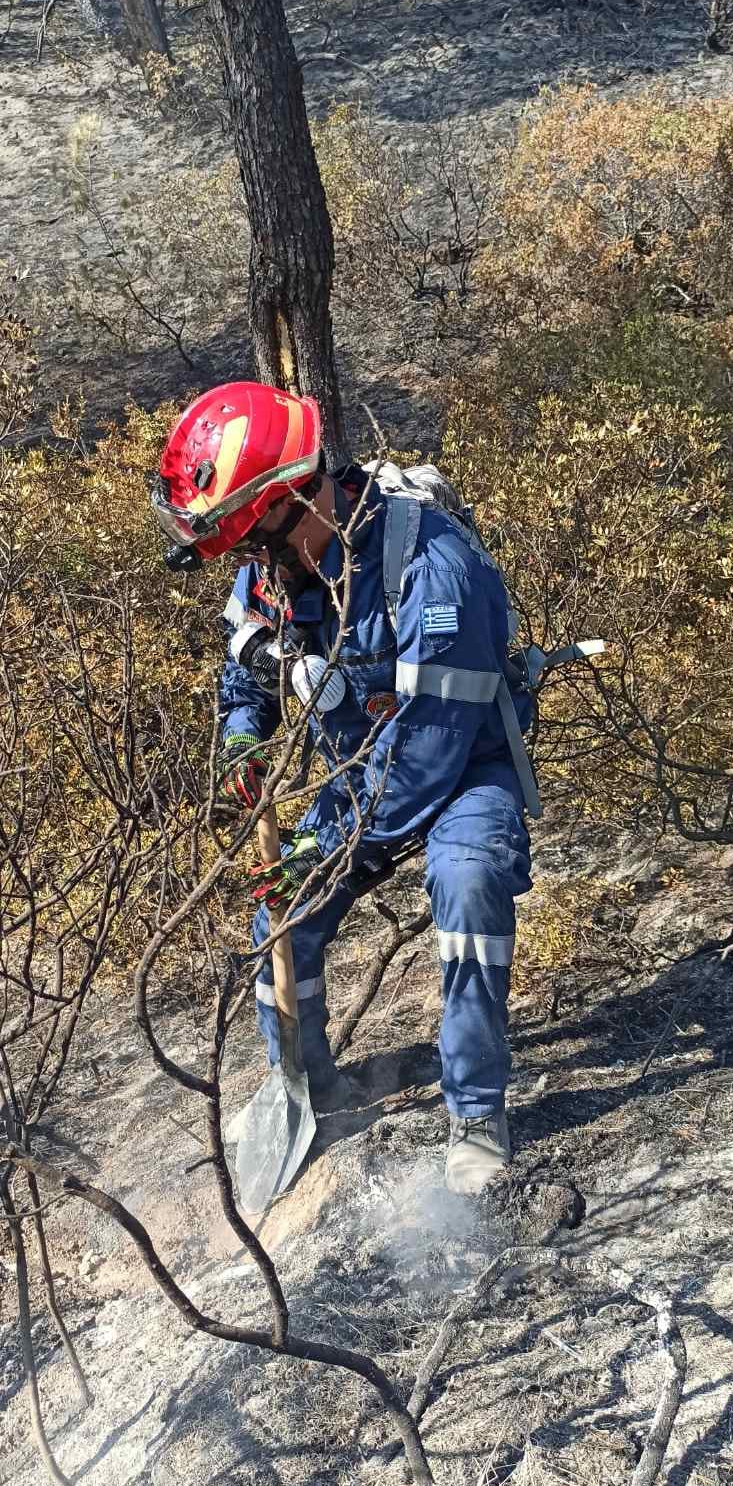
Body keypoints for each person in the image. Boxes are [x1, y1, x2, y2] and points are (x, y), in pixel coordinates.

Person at [151, 380, 533, 1195]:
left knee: (466, 882)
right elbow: (245, 660)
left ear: (298, 499)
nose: (251, 561)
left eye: (254, 541)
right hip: (364, 774)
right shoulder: (274, 562)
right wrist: (241, 733)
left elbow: (429, 747)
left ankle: (475, 1112)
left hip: (464, 767)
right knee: (280, 912)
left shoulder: (433, 566)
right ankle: (308, 1089)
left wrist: (322, 842)